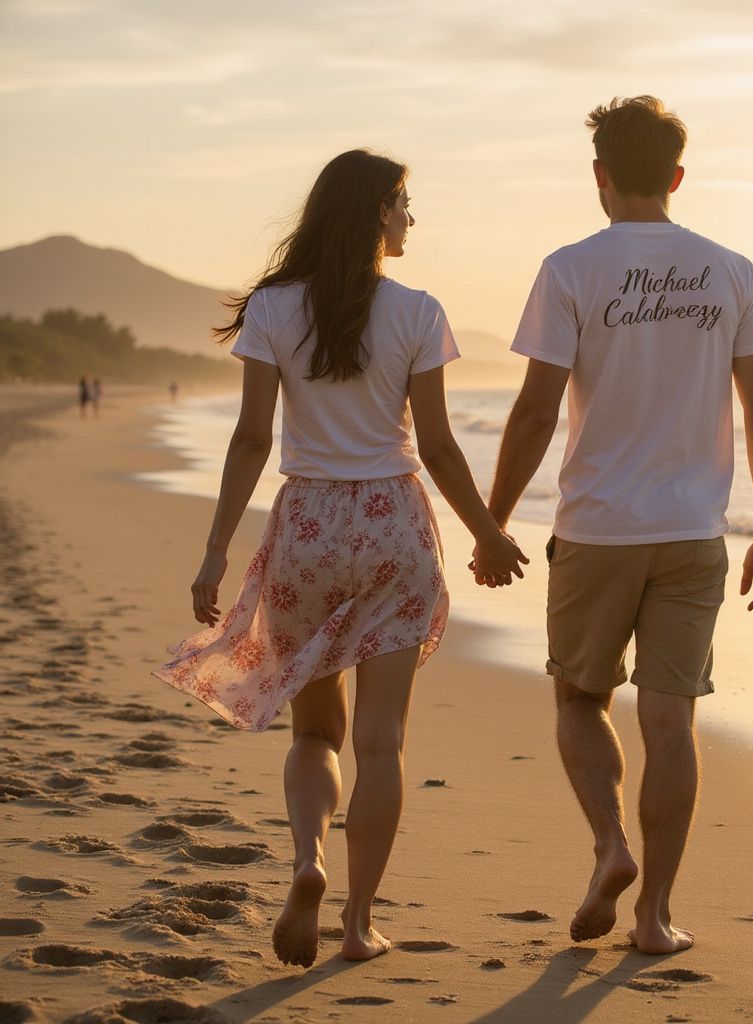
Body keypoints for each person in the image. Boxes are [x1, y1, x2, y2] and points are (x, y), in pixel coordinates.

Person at [156, 149, 526, 968]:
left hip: (309, 529)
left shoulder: (274, 309)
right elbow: (436, 444)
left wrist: (216, 551)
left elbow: (254, 437)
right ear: (374, 212)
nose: (410, 218)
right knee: (383, 743)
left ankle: (307, 863)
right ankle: (358, 921)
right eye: (403, 203)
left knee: (315, 732)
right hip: (393, 524)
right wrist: (486, 533)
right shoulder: (421, 312)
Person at [480, 96, 753, 955]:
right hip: (694, 532)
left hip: (598, 527)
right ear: (678, 177)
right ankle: (653, 918)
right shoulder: (732, 269)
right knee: (671, 723)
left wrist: (492, 521)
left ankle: (610, 845)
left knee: (580, 698)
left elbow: (537, 412)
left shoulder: (571, 268)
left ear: (600, 176)